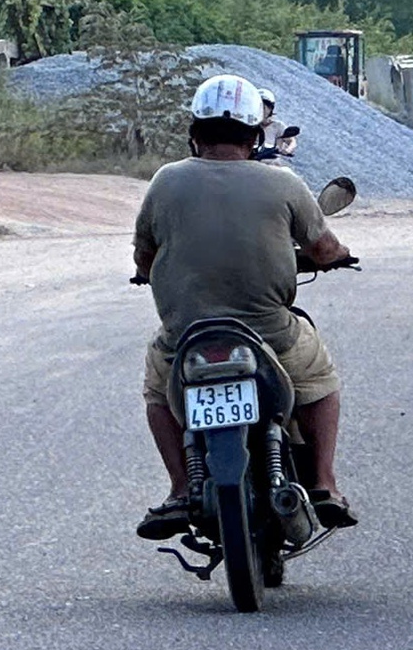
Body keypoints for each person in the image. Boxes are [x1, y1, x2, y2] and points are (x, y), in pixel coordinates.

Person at [131, 74, 357, 541]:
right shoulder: (284, 183)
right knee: (320, 380)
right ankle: (324, 483)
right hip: (270, 335)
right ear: (256, 136)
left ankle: (178, 489)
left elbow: (144, 256)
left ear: (194, 133)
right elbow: (324, 247)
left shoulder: (166, 181)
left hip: (186, 338)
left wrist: (147, 269)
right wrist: (337, 259)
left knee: (158, 390)